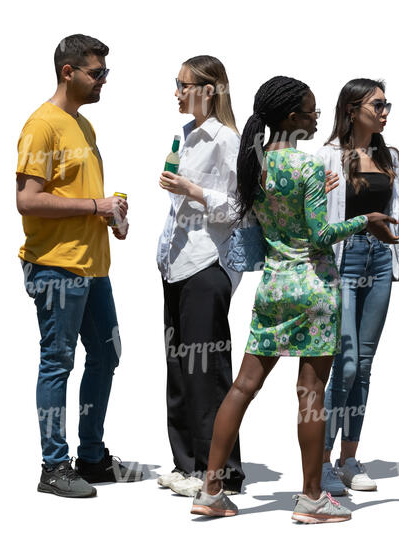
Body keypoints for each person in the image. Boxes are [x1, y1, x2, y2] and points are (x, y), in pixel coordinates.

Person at [189, 76, 398, 523]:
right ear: (290, 117)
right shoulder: (306, 168)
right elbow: (321, 236)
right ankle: (310, 497)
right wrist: (367, 222)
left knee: (243, 387)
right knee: (311, 392)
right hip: (314, 287)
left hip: (273, 287)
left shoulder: (256, 166)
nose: (316, 116)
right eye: (309, 110)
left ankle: (210, 488)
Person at [16, 34, 141, 499]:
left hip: (92, 266)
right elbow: (27, 201)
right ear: (68, 72)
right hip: (56, 268)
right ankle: (54, 466)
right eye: (97, 73)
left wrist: (112, 218)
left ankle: (91, 457)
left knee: (106, 354)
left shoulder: (82, 125)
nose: (103, 81)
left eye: (106, 72)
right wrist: (95, 206)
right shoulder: (42, 126)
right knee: (58, 362)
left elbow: (80, 197)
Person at [316, 78, 399, 495]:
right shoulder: (328, 156)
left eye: (386, 104)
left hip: (381, 257)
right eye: (377, 104)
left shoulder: (388, 155)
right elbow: (316, 216)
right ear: (352, 108)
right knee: (347, 362)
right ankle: (319, 460)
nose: (384, 111)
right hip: (344, 258)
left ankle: (349, 458)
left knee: (366, 365)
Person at [156, 55, 245, 497]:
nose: (176, 91)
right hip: (176, 264)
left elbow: (238, 206)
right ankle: (187, 462)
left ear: (209, 90)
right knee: (179, 367)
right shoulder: (186, 135)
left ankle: (221, 470)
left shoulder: (227, 139)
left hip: (208, 264)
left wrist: (192, 190)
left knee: (207, 371)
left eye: (182, 83)